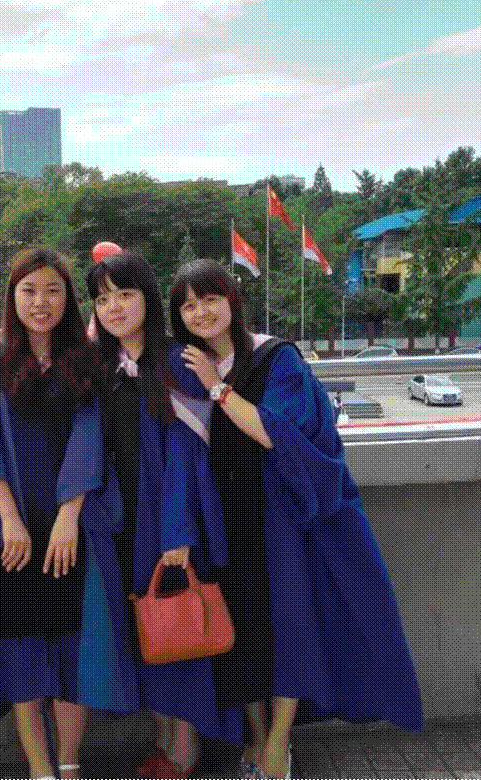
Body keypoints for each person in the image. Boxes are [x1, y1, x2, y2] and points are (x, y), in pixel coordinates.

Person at [168, 259, 422, 780]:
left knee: (289, 627)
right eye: (188, 305)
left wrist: (218, 387)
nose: (201, 312)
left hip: (279, 516)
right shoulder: (187, 365)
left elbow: (275, 432)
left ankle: (278, 743)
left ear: (232, 300)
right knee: (241, 632)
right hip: (224, 518)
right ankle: (256, 735)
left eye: (210, 299)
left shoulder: (275, 358)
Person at [0, 247, 137, 780]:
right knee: (22, 660)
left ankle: (69, 765)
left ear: (68, 299)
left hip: (74, 529)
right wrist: (9, 519)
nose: (40, 302)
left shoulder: (87, 359)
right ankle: (40, 771)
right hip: (13, 531)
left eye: (53, 291)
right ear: (11, 297)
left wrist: (69, 516)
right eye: (29, 291)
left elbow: (91, 437)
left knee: (72, 655)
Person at [86, 251, 239, 779]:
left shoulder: (179, 364)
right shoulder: (103, 367)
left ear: (148, 299)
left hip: (167, 520)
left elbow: (186, 459)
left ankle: (185, 749)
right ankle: (164, 738)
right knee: (148, 634)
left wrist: (178, 533)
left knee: (181, 635)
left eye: (125, 294)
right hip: (121, 520)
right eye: (103, 298)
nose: (114, 307)